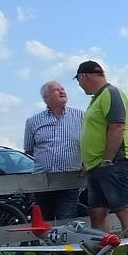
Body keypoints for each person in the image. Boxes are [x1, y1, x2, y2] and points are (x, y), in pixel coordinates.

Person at [75, 60, 128, 238]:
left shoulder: (111, 93)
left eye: (79, 81)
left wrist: (107, 159)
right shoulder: (96, 99)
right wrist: (88, 162)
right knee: (97, 212)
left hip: (114, 162)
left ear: (83, 77)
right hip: (97, 166)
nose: (80, 86)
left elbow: (117, 126)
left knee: (123, 209)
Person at [24, 81, 84, 223]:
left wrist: (85, 163)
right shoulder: (33, 121)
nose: (62, 91)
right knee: (45, 222)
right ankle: (48, 246)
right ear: (46, 98)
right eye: (57, 90)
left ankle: (66, 247)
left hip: (69, 179)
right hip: (43, 180)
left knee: (66, 220)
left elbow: (89, 144)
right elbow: (29, 149)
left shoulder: (81, 117)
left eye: (63, 88)